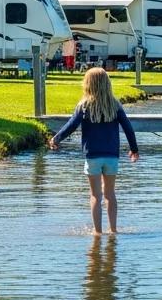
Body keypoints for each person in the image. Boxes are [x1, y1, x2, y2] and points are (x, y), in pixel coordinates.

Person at [49, 67, 139, 235]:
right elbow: (128, 129)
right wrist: (134, 149)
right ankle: (113, 230)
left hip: (93, 157)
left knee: (96, 195)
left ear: (88, 84)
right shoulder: (115, 105)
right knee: (110, 194)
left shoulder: (84, 106)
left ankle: (97, 232)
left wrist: (56, 139)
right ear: (107, 84)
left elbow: (71, 126)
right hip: (111, 156)